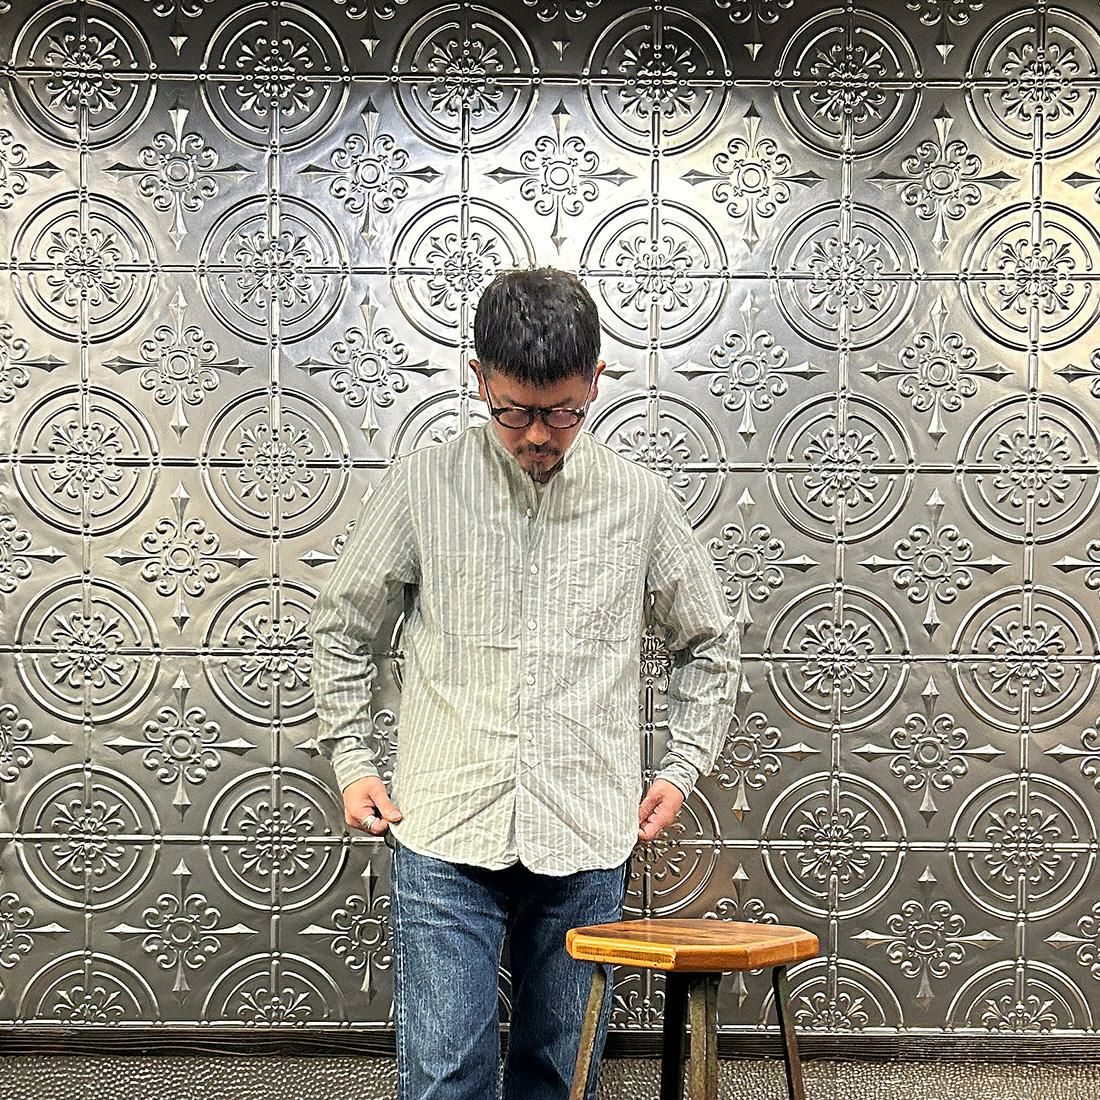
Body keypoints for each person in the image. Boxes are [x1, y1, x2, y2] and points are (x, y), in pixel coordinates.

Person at [309, 267, 740, 1100]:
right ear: (479, 379)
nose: (539, 435)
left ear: (596, 380)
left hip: (585, 833)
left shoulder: (639, 500)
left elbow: (709, 641)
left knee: (560, 1077)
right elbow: (343, 627)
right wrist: (353, 761)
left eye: (563, 411)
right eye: (514, 411)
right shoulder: (422, 485)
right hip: (445, 828)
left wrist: (682, 766)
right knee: (444, 1079)